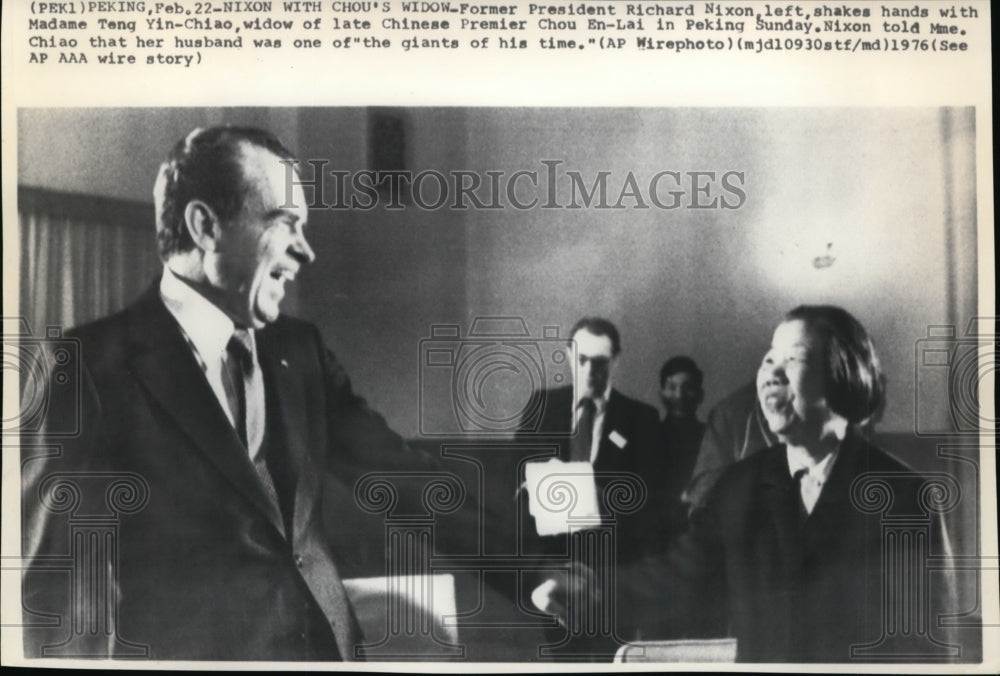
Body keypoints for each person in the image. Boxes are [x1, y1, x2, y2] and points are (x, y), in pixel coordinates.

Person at [20, 126, 445, 661]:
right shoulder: (84, 367)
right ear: (205, 226)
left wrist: (532, 564)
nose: (306, 251)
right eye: (284, 222)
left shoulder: (301, 351)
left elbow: (400, 472)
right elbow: (58, 596)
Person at [541, 305, 958, 662]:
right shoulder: (740, 486)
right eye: (767, 360)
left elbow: (928, 645)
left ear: (844, 377)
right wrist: (590, 591)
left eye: (793, 360)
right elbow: (675, 578)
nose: (770, 374)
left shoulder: (907, 497)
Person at [657, 356, 706, 505]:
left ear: (700, 395)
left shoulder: (711, 436)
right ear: (661, 394)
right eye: (672, 388)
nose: (679, 396)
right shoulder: (648, 434)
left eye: (688, 388)